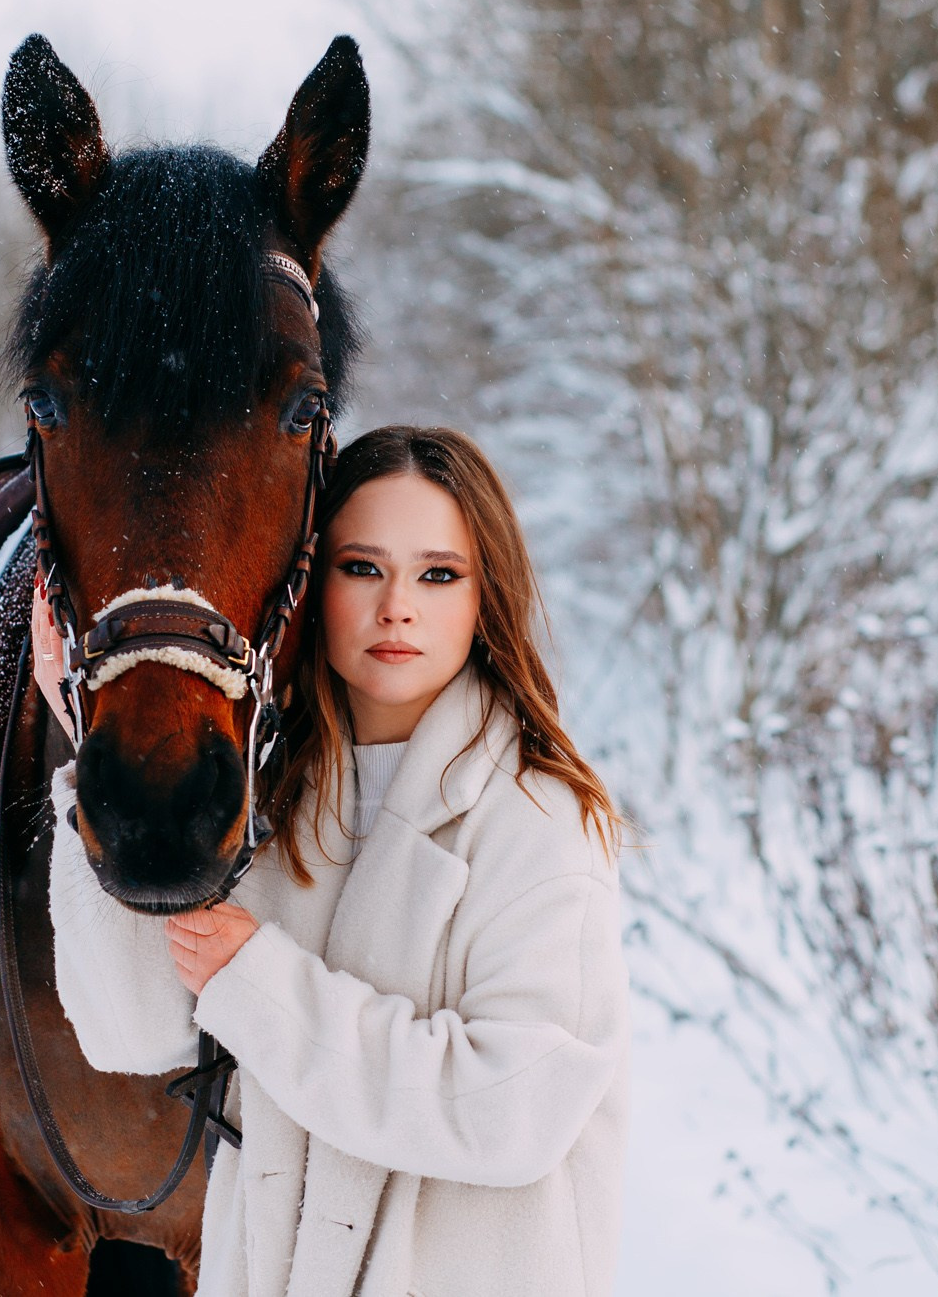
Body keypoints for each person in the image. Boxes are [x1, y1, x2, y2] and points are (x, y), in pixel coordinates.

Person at [31, 424, 630, 1297]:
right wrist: (87, 752)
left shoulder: (535, 815)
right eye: (362, 567)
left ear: (483, 595)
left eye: (438, 573)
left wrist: (266, 987)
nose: (398, 606)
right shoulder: (278, 805)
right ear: (309, 586)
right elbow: (127, 1029)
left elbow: (513, 1110)